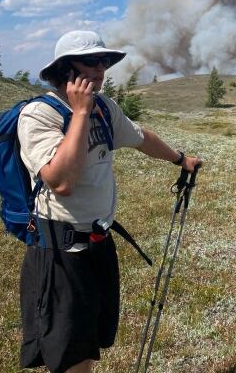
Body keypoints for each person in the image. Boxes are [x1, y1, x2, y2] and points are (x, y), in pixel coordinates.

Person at [16, 30, 203, 373]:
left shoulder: (104, 107)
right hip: (61, 251)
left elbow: (140, 137)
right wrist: (81, 114)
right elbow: (61, 181)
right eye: (90, 61)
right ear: (65, 69)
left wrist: (180, 159)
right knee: (68, 352)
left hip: (98, 244)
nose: (100, 68)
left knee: (87, 341)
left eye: (104, 61)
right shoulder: (39, 115)